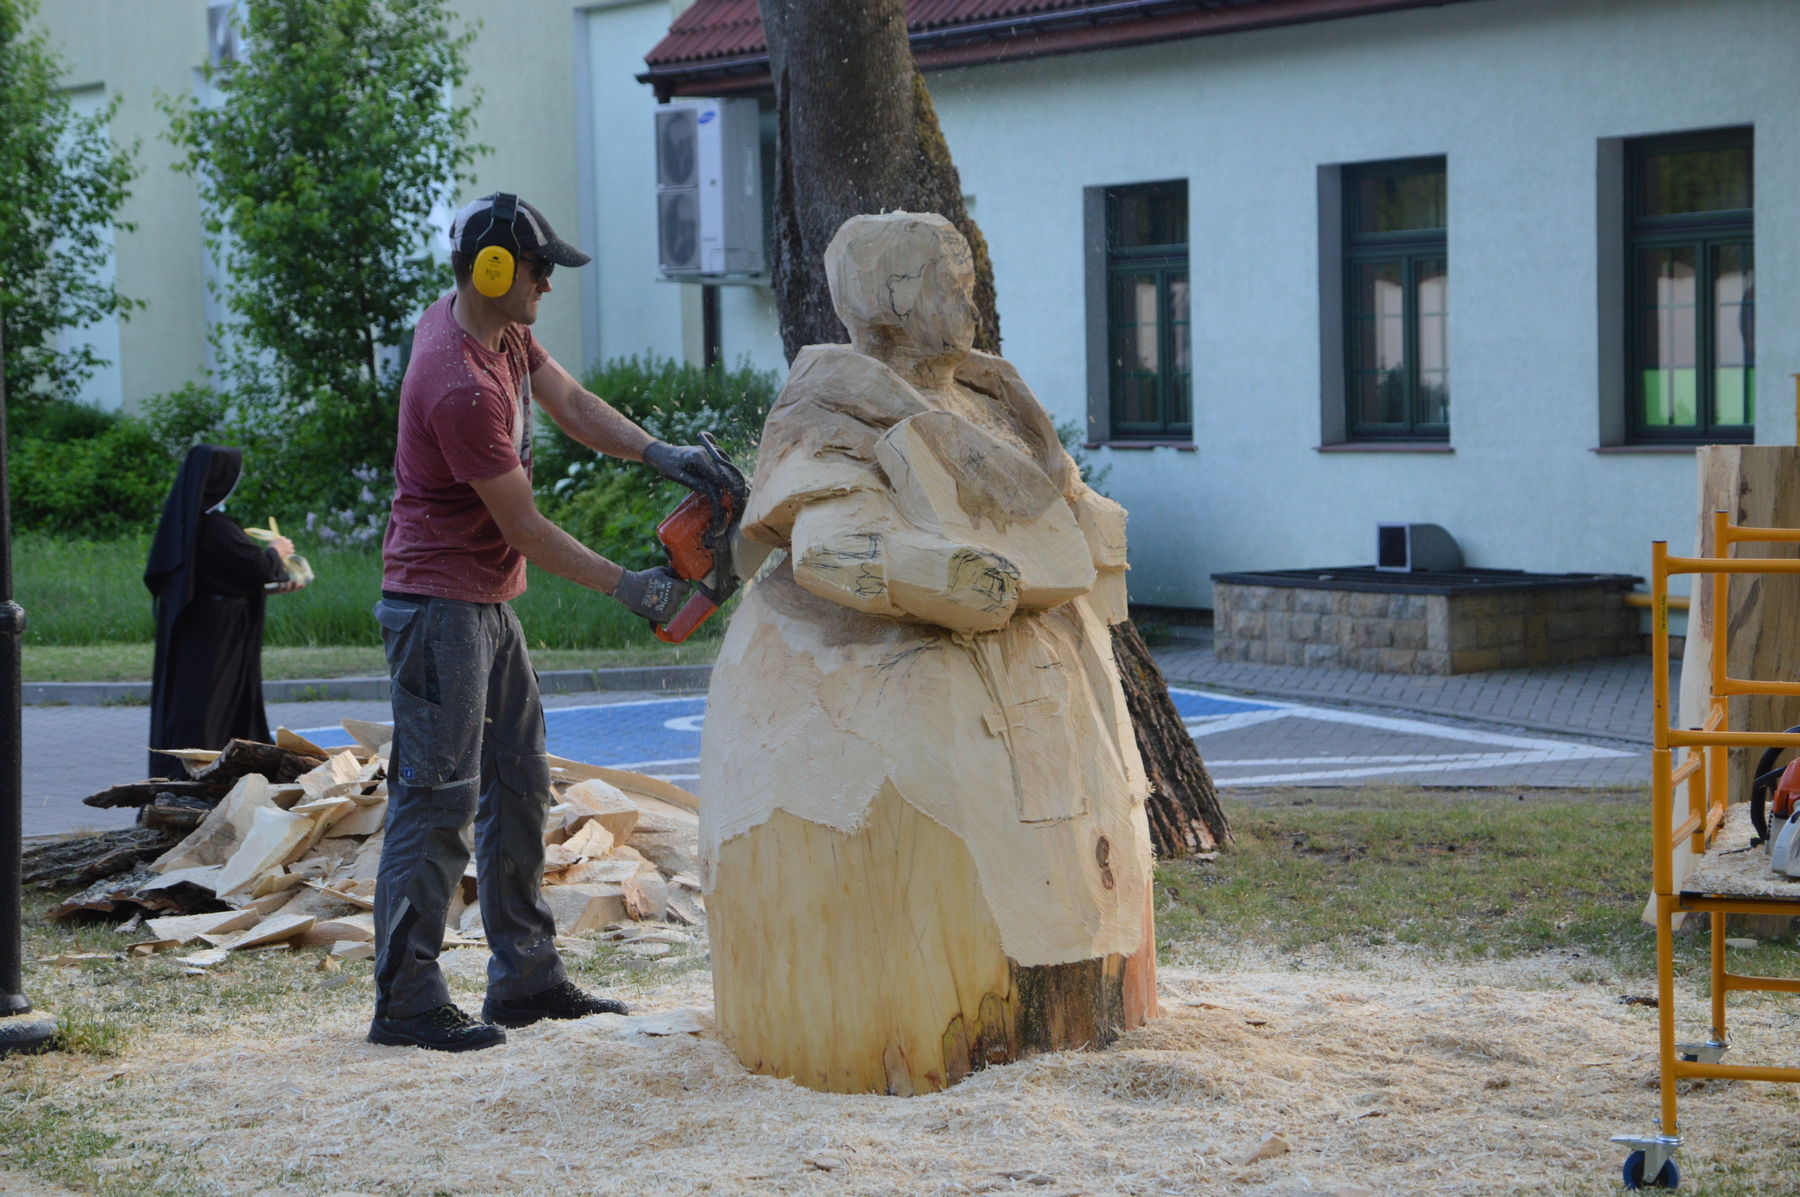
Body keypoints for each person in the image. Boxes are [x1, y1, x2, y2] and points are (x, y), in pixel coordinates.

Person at [368, 192, 733, 1053]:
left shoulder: (499, 332)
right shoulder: (456, 383)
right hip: (438, 606)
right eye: (540, 271)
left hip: (486, 602)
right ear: (496, 271)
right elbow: (525, 527)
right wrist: (635, 589)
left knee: (521, 784)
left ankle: (525, 980)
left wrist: (661, 454)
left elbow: (569, 401)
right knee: (437, 803)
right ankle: (407, 1001)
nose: (549, 286)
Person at [144, 444, 304, 779]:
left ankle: (202, 778)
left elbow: (226, 576)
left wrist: (273, 582)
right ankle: (210, 779)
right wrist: (277, 551)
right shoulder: (215, 526)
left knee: (205, 707)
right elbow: (257, 565)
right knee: (214, 710)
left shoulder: (187, 524)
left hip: (203, 630)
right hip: (219, 635)